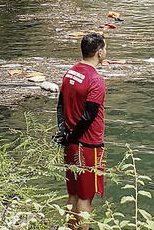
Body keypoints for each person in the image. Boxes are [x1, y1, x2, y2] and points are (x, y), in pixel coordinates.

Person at [54, 32, 107, 230]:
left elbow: (60, 105)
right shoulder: (96, 80)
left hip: (71, 143)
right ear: (99, 52)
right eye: (105, 48)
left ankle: (69, 228)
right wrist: (72, 135)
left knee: (73, 194)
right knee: (86, 198)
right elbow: (89, 116)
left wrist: (65, 133)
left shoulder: (70, 73)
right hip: (88, 146)